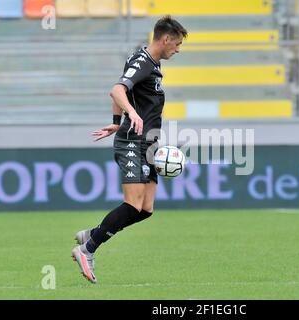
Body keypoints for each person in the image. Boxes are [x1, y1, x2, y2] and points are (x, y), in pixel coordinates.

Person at [71, 16, 188, 283]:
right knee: (132, 203)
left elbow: (121, 91)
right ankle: (87, 249)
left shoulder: (150, 64)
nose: (178, 49)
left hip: (148, 143)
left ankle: (94, 233)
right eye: (178, 44)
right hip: (134, 141)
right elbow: (117, 90)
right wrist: (131, 115)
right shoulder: (143, 62)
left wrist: (116, 122)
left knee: (145, 209)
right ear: (166, 38)